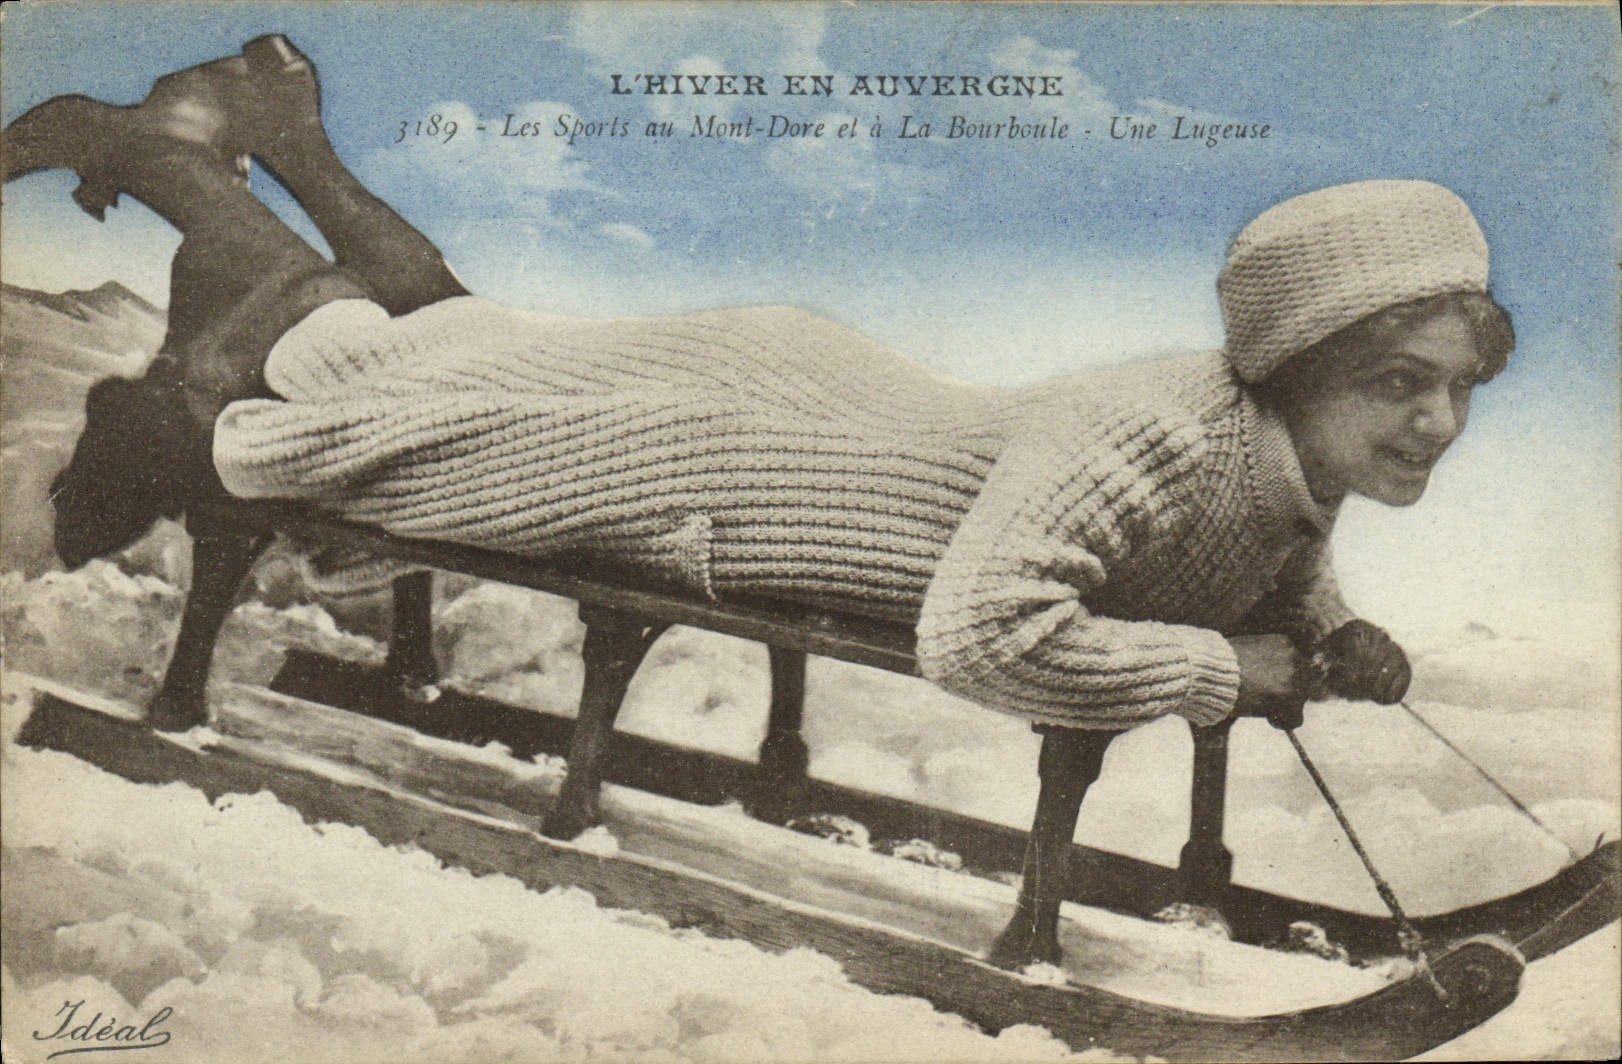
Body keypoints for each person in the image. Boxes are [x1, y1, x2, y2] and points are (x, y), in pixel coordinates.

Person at [6, 37, 1512, 735]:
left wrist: (1332, 631)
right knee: (369, 360)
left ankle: (279, 122)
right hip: (727, 444)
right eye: (1398, 381)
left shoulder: (1267, 456)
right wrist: (1215, 673)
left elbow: (1245, 551)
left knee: (460, 335)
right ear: (1293, 366)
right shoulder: (1153, 425)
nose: (1434, 425)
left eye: (1453, 388)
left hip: (785, 406)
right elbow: (984, 636)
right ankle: (137, 145)